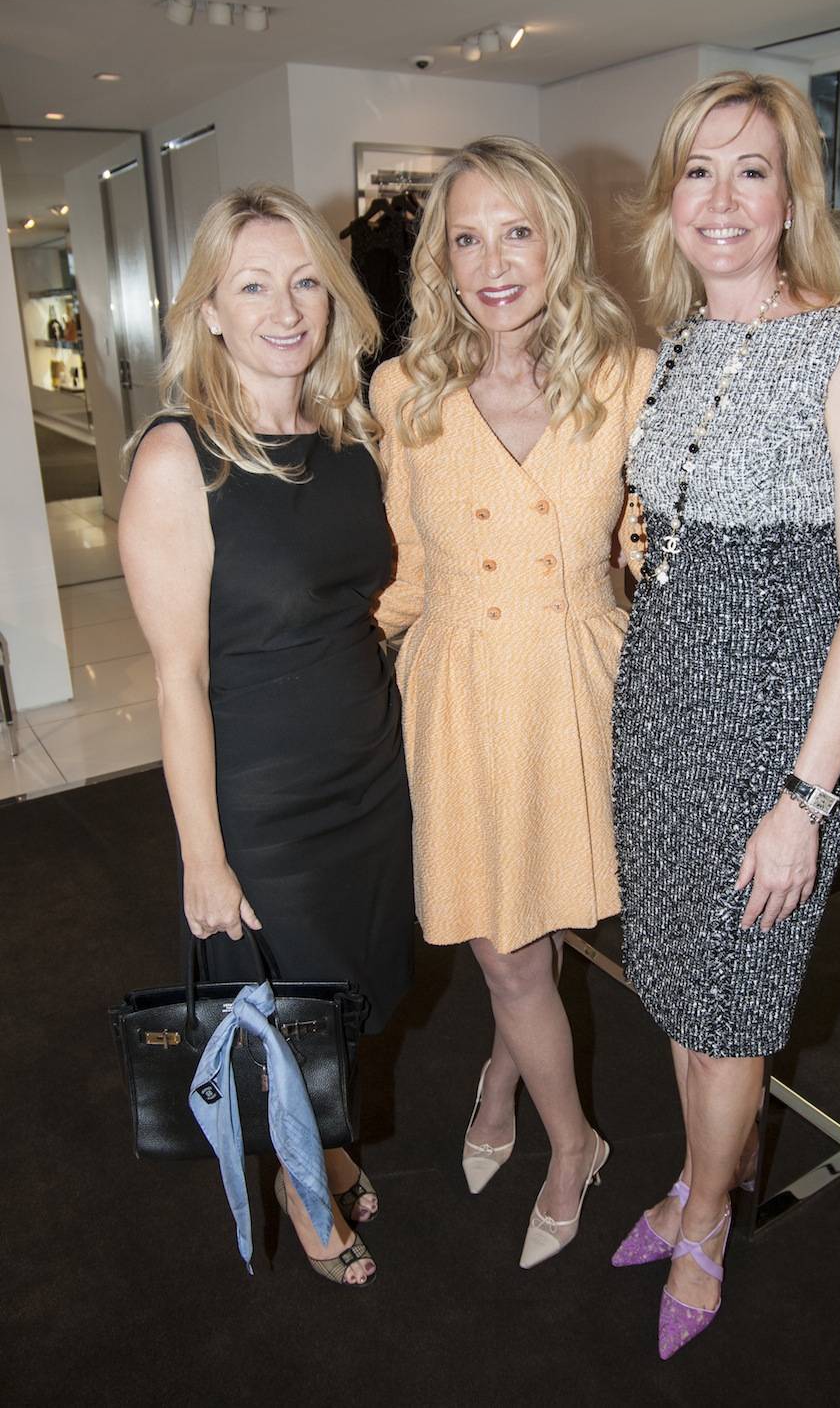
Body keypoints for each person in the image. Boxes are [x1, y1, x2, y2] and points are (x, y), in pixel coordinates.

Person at [610, 71, 840, 1357]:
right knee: (681, 990)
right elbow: (674, 515)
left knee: (729, 1007)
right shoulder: (677, 345)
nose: (721, 199)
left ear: (791, 201)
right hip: (660, 716)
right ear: (669, 199)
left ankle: (709, 1218)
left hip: (771, 743)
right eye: (697, 171)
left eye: (750, 171)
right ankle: (692, 1178)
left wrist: (802, 801)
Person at [119, 184, 414, 1287]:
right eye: (253, 286)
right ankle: (301, 1182)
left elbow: (368, 604)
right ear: (209, 309)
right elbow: (178, 678)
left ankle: (323, 1143)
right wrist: (203, 856)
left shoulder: (350, 438)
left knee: (354, 993)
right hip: (266, 798)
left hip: (369, 774)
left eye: (305, 283)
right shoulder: (177, 460)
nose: (285, 310)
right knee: (283, 1009)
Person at [370, 136, 653, 1268]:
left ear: (558, 243)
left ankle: (504, 1080)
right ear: (440, 260)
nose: (494, 264)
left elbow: (653, 546)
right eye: (468, 239)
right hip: (458, 692)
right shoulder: (404, 391)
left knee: (530, 923)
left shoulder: (627, 376)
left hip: (577, 683)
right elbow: (404, 569)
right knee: (508, 947)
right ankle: (576, 1140)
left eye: (517, 233)